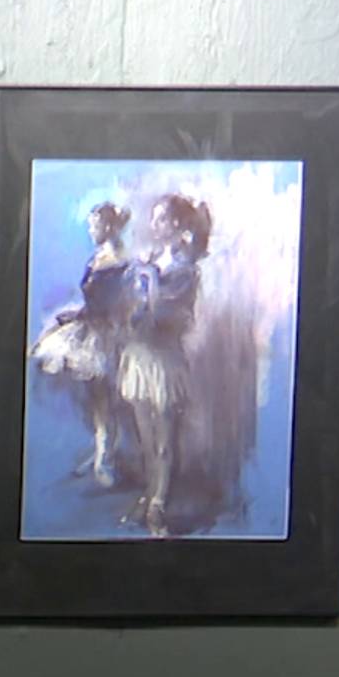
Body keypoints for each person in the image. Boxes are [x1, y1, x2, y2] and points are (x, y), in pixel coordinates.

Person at [117, 192, 210, 537]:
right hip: (140, 354)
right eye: (153, 218)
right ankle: (149, 492)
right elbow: (132, 306)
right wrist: (135, 283)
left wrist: (149, 278)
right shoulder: (151, 258)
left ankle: (159, 502)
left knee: (165, 438)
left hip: (164, 358)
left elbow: (168, 313)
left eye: (160, 219)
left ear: (176, 224)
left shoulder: (186, 269)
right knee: (145, 436)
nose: (153, 225)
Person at [30, 201, 134, 488]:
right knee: (93, 397)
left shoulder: (119, 261)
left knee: (104, 398)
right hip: (90, 327)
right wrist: (73, 315)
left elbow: (113, 304)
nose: (91, 231)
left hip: (106, 334)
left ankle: (106, 456)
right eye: (90, 225)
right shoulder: (99, 256)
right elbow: (92, 301)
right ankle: (101, 447)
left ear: (109, 227)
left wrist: (80, 316)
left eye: (94, 225)